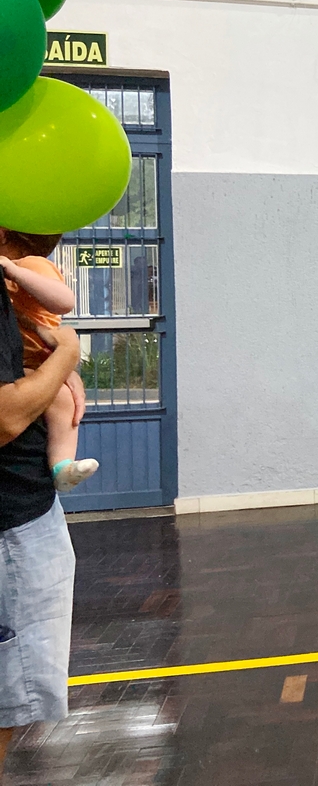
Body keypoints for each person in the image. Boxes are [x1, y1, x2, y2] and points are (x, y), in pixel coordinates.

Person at [0, 258, 83, 772]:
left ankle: (62, 465)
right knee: (8, 694)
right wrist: (67, 356)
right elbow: (5, 418)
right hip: (13, 521)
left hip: (26, 511)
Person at [0, 231, 98, 490]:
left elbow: (65, 301)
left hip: (37, 359)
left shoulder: (30, 264)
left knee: (65, 402)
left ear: (3, 235)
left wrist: (14, 271)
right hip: (26, 362)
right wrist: (66, 354)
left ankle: (62, 466)